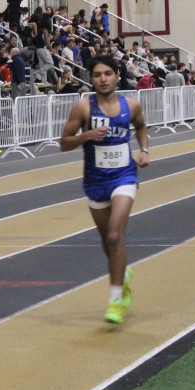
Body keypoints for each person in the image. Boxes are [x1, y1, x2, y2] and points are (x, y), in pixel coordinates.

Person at [60, 55, 149, 325]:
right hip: (95, 181)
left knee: (114, 235)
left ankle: (116, 299)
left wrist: (144, 150)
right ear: (91, 79)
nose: (103, 79)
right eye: (97, 74)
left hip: (124, 176)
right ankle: (123, 272)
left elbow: (141, 127)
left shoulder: (131, 105)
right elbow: (64, 143)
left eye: (108, 73)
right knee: (108, 243)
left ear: (117, 76)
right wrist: (86, 136)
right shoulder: (83, 108)